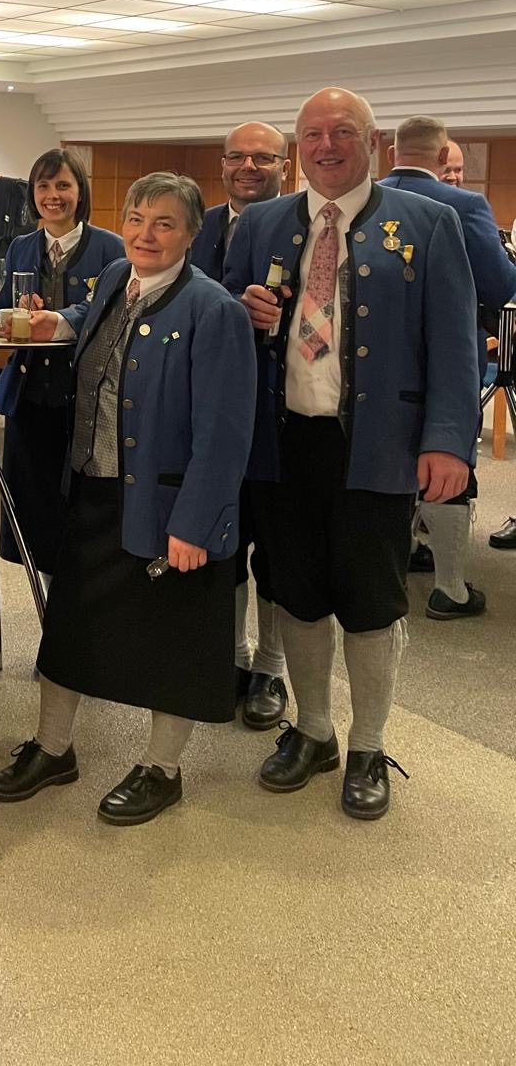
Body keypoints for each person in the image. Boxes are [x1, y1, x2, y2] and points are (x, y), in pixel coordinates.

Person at [224, 87, 478, 820]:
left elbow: (455, 342)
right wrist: (244, 313)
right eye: (312, 134)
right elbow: (224, 321)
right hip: (284, 442)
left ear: (374, 146)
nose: (326, 145)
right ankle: (313, 730)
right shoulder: (262, 223)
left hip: (380, 445)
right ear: (297, 149)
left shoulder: (427, 223)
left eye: (342, 132)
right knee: (296, 593)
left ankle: (368, 744)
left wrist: (447, 441)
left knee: (371, 602)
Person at [0, 173, 255, 825]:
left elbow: (224, 433)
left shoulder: (214, 310)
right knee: (70, 625)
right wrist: (59, 319)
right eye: (136, 219)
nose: (146, 234)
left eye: (165, 223)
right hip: (95, 489)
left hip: (168, 507)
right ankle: (54, 749)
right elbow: (93, 320)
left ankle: (163, 769)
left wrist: (196, 523)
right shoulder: (114, 279)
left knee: (174, 640)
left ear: (191, 234)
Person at [381, 114, 516, 615]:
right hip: (447, 356)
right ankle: (450, 589)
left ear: (391, 153)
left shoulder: (366, 200)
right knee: (449, 456)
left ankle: (406, 551)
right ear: (442, 158)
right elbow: (500, 285)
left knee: (391, 457)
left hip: (374, 363)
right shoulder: (464, 205)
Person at [192, 120, 293, 729]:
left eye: (263, 158)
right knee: (219, 543)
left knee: (276, 551)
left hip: (280, 417)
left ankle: (270, 668)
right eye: (238, 156)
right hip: (209, 414)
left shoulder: (303, 226)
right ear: (223, 164)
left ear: (285, 166)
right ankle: (228, 657)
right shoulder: (195, 225)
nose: (249, 167)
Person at [0, 147, 124, 580]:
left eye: (63, 185)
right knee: (34, 513)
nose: (53, 195)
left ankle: (75, 607)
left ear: (80, 192)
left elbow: (112, 312)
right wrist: (14, 314)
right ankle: (47, 603)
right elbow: (0, 309)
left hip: (84, 402)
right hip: (28, 399)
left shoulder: (111, 248)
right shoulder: (21, 246)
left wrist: (60, 319)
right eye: (43, 186)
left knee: (81, 515)